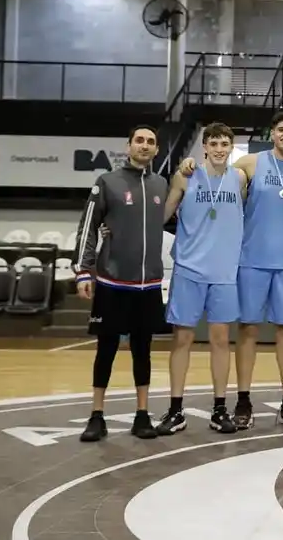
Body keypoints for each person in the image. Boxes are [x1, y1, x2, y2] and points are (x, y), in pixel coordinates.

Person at [177, 110, 283, 429]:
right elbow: (217, 180)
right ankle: (243, 400)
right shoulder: (250, 164)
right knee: (248, 330)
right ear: (272, 134)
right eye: (281, 129)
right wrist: (191, 166)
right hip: (251, 261)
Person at [74, 125, 169, 442]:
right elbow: (88, 227)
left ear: (156, 150)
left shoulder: (161, 184)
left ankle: (142, 415)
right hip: (112, 281)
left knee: (143, 350)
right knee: (106, 348)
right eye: (139, 140)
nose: (145, 145)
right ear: (128, 146)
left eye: (151, 142)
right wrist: (83, 271)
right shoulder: (107, 182)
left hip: (149, 284)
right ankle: (96, 415)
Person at [156, 122, 247, 436]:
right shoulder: (186, 175)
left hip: (224, 272)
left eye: (225, 144)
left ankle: (220, 408)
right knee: (182, 339)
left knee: (221, 341)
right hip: (189, 271)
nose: (220, 149)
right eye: (214, 144)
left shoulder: (239, 179)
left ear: (231, 148)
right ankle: (175, 409)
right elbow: (163, 214)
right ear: (204, 147)